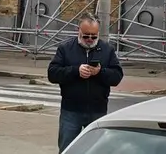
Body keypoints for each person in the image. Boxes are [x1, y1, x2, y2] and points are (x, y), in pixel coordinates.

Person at [48, 14, 124, 151]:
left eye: (94, 36)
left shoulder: (107, 50)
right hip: (71, 110)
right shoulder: (65, 48)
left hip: (97, 110)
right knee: (68, 148)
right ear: (79, 31)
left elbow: (117, 77)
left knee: (97, 149)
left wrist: (100, 72)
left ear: (98, 33)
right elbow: (52, 73)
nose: (90, 39)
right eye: (86, 36)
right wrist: (76, 71)